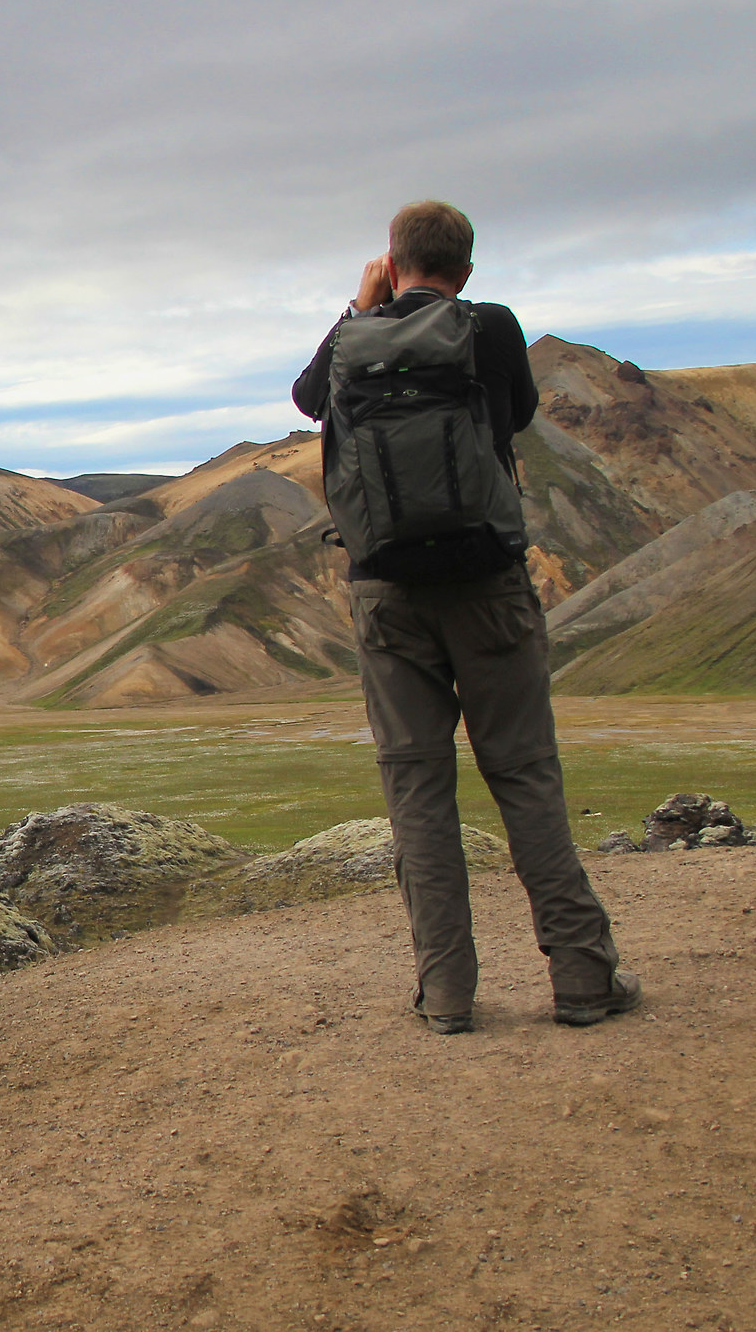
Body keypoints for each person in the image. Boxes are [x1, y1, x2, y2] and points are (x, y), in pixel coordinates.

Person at [293, 199, 639, 1035]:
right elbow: (513, 416)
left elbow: (308, 399)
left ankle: (447, 992)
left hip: (386, 596)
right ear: (468, 269)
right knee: (523, 774)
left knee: (417, 787)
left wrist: (358, 308)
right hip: (488, 585)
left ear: (391, 258)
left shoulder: (351, 339)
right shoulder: (490, 327)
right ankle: (583, 978)